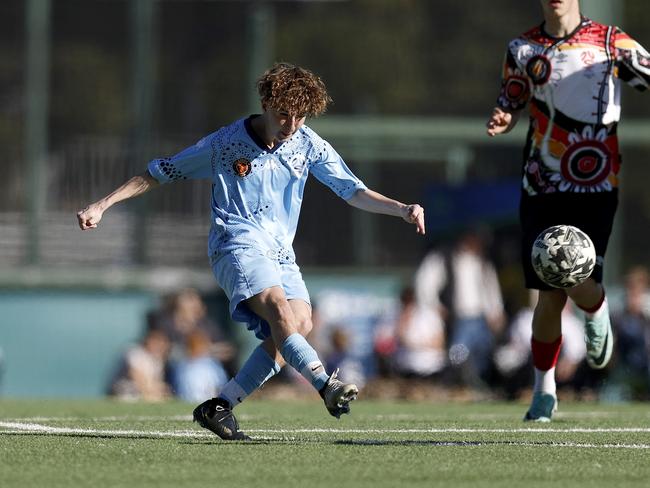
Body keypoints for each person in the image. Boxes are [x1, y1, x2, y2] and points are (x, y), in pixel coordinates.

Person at [77, 62, 425, 440]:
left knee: (298, 326)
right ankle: (326, 384)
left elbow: (353, 191)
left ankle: (219, 405)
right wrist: (102, 204)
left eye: (300, 116)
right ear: (265, 102)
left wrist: (401, 209)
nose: (291, 124)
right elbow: (158, 172)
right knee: (279, 310)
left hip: (280, 254)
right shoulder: (225, 144)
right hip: (236, 243)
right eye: (283, 114)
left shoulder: (308, 144)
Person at [486, 0, 650, 421]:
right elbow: (513, 99)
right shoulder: (522, 47)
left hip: (596, 181)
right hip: (541, 182)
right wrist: (503, 116)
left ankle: (595, 307)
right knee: (548, 290)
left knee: (577, 280)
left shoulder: (612, 41)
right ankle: (544, 391)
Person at [414, 229, 505, 388]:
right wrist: (435, 306)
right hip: (460, 317)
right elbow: (425, 282)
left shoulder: (483, 262)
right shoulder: (445, 257)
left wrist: (496, 311)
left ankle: (478, 386)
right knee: (458, 353)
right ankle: (456, 384)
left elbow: (491, 289)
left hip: (481, 317)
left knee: (482, 353)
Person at [109, 328, 171, 401]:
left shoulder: (157, 360)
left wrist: (158, 389)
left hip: (143, 390)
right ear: (148, 340)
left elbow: (155, 381)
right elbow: (137, 377)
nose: (159, 345)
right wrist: (149, 393)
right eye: (156, 342)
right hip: (125, 388)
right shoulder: (135, 352)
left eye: (162, 343)